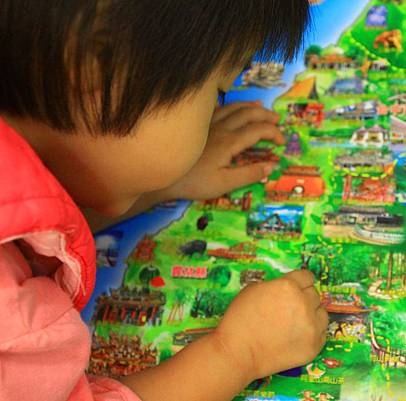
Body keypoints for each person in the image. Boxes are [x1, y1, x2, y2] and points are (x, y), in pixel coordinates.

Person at [0, 2, 328, 401]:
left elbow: (29, 220)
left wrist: (159, 182)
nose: (215, 111)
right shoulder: (12, 317)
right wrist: (236, 354)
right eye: (218, 92)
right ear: (98, 66)